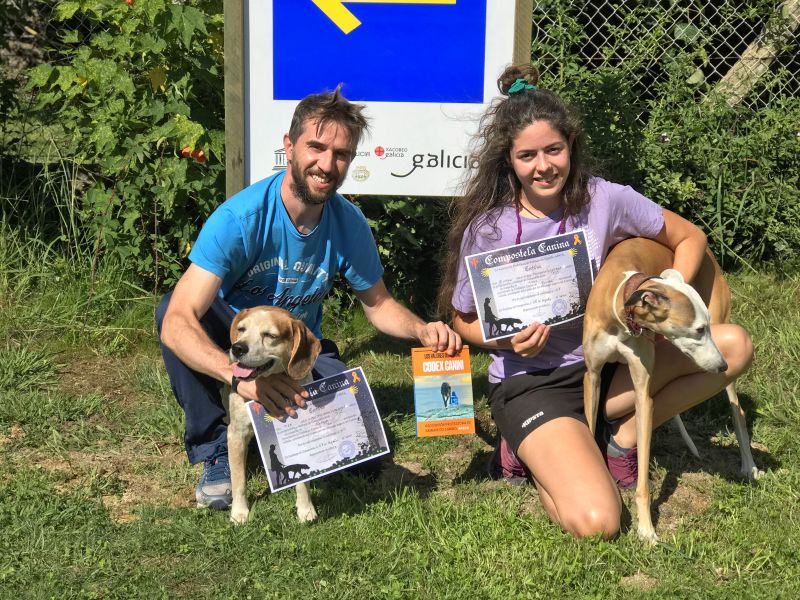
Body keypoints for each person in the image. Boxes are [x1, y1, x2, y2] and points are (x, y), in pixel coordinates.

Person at [437, 65, 753, 539]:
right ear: (509, 160)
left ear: (571, 147)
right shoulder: (489, 229)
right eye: (527, 155)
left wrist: (665, 289)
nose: (543, 165)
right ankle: (523, 449)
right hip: (531, 383)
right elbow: (462, 320)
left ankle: (620, 440)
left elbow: (690, 237)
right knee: (598, 522)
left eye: (554, 150)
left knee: (733, 346)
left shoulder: (604, 199)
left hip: (606, 370)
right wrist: (504, 340)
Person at [158, 86, 462, 511]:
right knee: (168, 309)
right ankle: (214, 451)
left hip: (303, 347)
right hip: (237, 336)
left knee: (359, 451)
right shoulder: (240, 219)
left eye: (340, 154)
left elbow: (377, 304)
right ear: (289, 145)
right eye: (316, 147)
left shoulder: (349, 222)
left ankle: (285, 435)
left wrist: (420, 329)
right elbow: (178, 320)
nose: (327, 164)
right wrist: (240, 377)